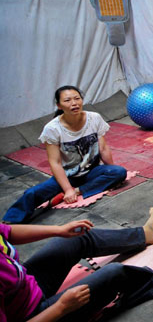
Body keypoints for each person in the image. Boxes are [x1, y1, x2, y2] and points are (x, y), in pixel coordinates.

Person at [0, 208, 153, 322]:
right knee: (115, 273)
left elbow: (7, 231)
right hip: (32, 317)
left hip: (25, 286)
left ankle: (145, 234)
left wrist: (59, 230)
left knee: (77, 236)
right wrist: (60, 308)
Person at [3, 86, 127, 224]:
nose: (74, 103)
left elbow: (103, 148)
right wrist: (68, 189)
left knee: (119, 172)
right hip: (68, 176)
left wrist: (113, 178)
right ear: (59, 105)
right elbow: (54, 162)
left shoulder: (94, 118)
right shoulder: (52, 128)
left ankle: (78, 191)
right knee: (33, 193)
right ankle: (9, 223)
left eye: (77, 98)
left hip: (92, 171)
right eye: (67, 100)